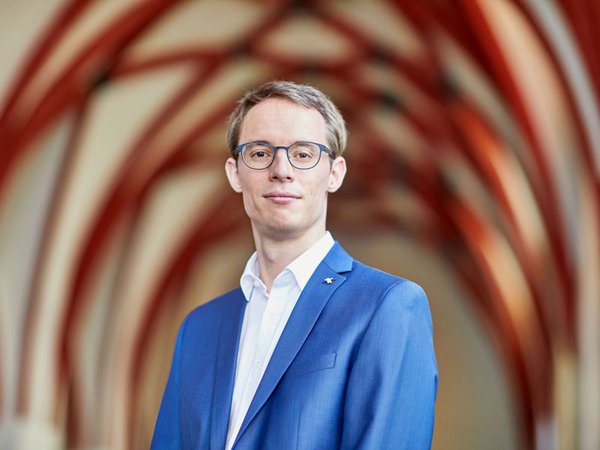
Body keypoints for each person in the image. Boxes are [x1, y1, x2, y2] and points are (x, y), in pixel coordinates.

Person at [150, 80, 437, 450]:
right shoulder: (198, 330)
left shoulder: (388, 307)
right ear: (235, 173)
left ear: (335, 173)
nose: (281, 170)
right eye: (259, 153)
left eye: (303, 154)